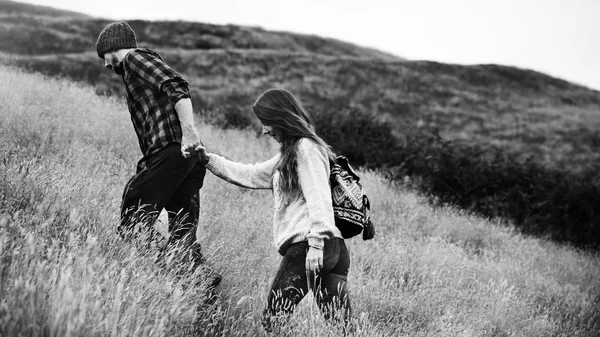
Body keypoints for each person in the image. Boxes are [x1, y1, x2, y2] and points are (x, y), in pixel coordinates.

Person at [194, 88, 352, 331]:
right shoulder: (289, 155)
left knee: (274, 320)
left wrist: (316, 244)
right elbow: (251, 174)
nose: (264, 130)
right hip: (335, 250)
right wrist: (208, 160)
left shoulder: (305, 148)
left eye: (267, 123)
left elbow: (318, 196)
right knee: (344, 330)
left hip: (311, 245)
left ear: (282, 118)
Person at [95, 21, 220, 291]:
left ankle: (159, 266)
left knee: (133, 212)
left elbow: (177, 88)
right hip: (186, 160)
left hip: (173, 151)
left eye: (104, 56)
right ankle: (202, 284)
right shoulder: (134, 70)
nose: (105, 64)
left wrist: (188, 133)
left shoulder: (135, 58)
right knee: (182, 232)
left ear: (113, 47)